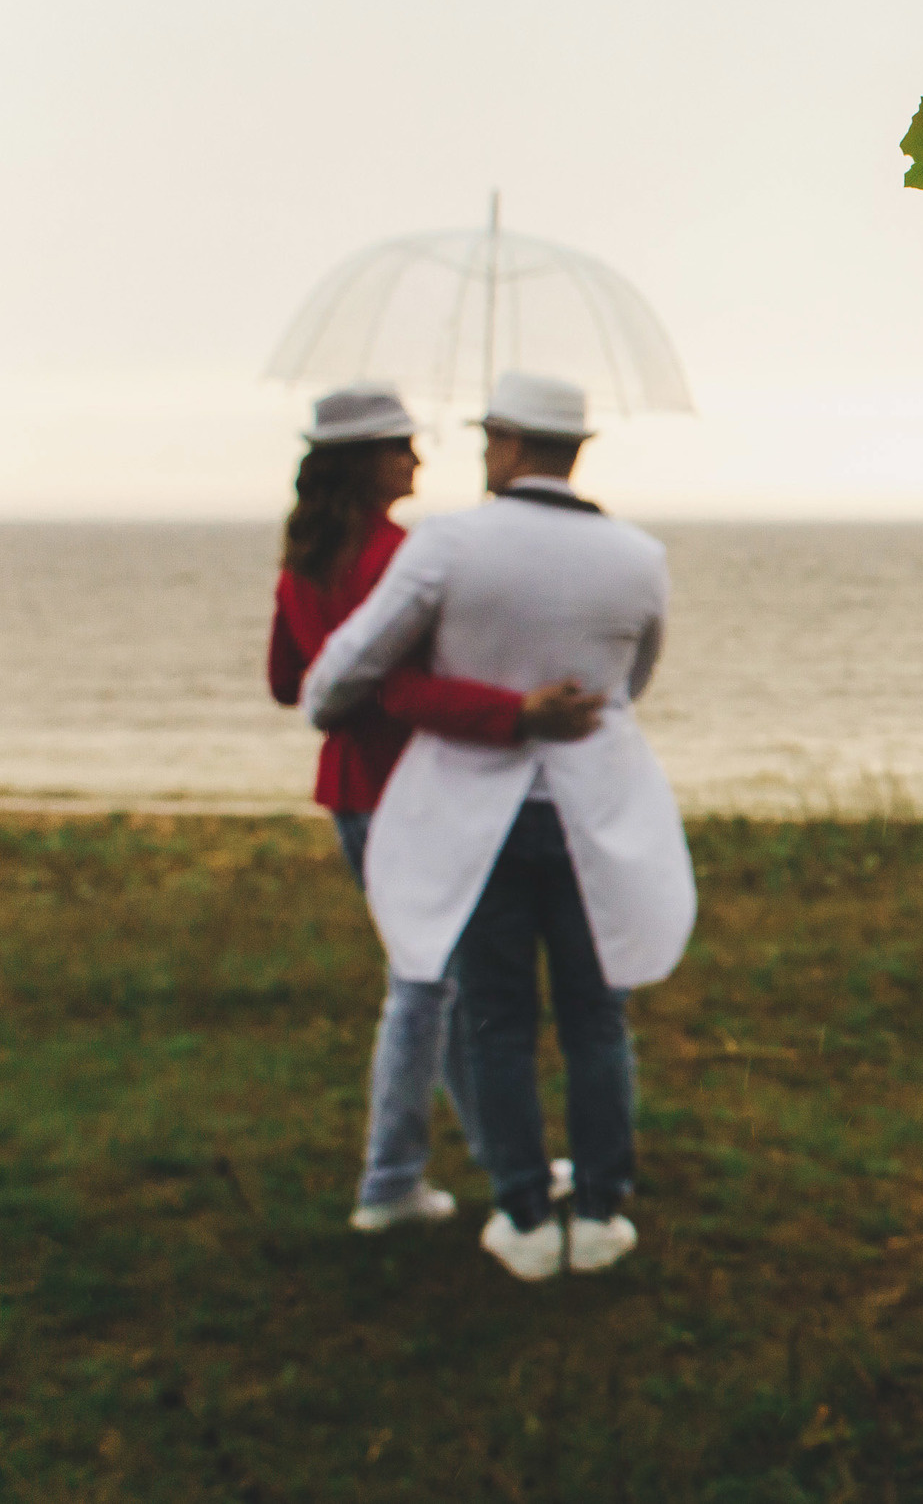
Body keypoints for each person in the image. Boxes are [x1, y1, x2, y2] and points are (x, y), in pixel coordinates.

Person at [301, 371, 696, 1281]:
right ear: (575, 449)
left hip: (475, 816)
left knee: (496, 1020)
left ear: (512, 445)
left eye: (490, 439)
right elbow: (632, 684)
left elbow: (342, 673)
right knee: (598, 1019)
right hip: (593, 813)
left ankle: (522, 1213)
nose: (483, 452)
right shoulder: (639, 556)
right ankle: (598, 1211)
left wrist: (346, 699)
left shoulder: (446, 543)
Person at [268, 385, 606, 1233]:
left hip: (348, 789)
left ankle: (494, 1158)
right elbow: (405, 685)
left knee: (435, 981)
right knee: (424, 987)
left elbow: (288, 682)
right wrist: (515, 709)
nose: (418, 458)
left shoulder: (304, 556)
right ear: (364, 461)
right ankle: (390, 1181)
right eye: (401, 446)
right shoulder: (395, 552)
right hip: (405, 791)